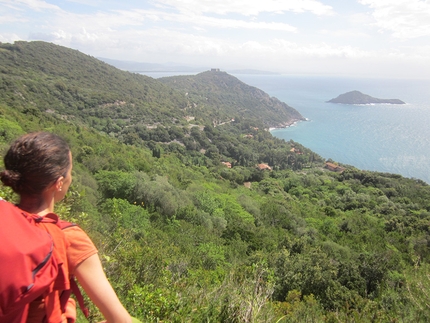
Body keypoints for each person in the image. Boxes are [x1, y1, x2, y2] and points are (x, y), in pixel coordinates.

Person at [0, 132, 133, 323]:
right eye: (69, 171)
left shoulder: (5, 222)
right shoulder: (69, 237)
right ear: (59, 183)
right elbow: (120, 321)